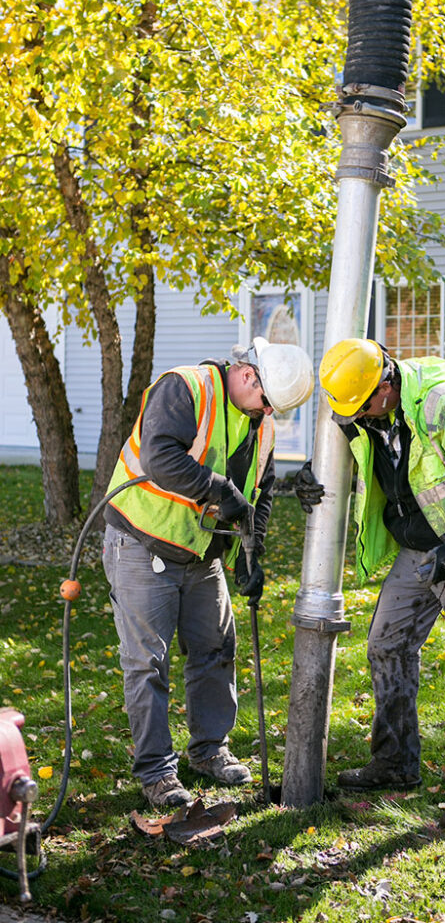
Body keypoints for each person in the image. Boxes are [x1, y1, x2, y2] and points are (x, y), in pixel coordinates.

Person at [296, 337, 445, 830]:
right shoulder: (364, 410)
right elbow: (340, 443)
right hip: (420, 547)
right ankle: (396, 763)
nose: (357, 418)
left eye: (364, 407)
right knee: (386, 643)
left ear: (386, 384)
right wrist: (308, 473)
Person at [103, 337, 314, 809]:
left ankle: (209, 749)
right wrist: (220, 492)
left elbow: (258, 496)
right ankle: (157, 772)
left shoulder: (262, 426)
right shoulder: (186, 388)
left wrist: (249, 559)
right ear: (246, 374)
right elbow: (160, 458)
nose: (266, 412)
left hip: (201, 556)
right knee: (147, 663)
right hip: (142, 542)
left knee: (216, 649)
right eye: (264, 401)